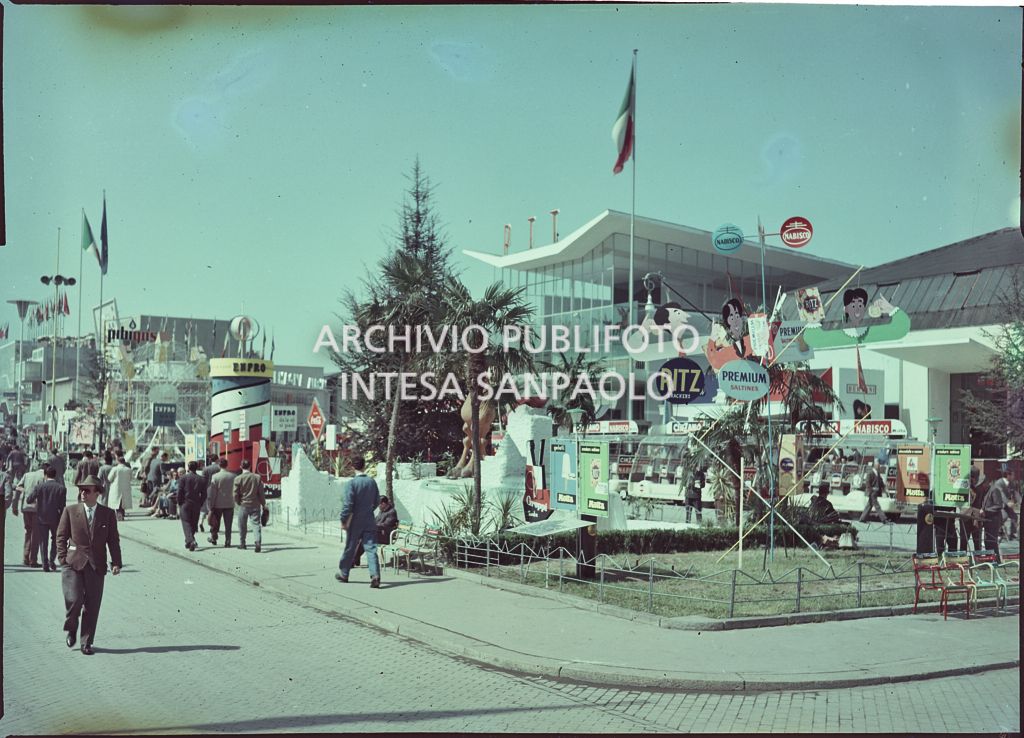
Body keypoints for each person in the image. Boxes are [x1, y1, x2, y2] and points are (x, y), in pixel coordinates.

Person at [56, 474, 122, 655]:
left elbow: (113, 540)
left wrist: (116, 562)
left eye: (87, 490)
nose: (82, 493)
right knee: (74, 599)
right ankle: (71, 628)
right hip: (73, 564)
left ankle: (86, 642)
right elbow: (61, 536)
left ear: (97, 493)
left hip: (96, 565)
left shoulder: (107, 514)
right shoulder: (70, 511)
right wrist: (62, 558)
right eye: (81, 490)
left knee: (92, 606)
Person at [336, 456, 381, 588]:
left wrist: (344, 519)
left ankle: (344, 574)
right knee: (371, 548)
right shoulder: (372, 482)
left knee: (350, 547)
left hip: (355, 521)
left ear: (352, 467)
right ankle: (375, 575)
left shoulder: (352, 483)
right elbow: (377, 501)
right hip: (369, 519)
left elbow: (348, 505)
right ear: (364, 466)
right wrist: (369, 510)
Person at [28, 465, 67, 572]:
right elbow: (62, 506)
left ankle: (45, 563)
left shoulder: (39, 487)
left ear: (45, 475)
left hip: (41, 517)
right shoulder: (61, 488)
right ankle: (51, 560)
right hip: (56, 518)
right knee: (55, 540)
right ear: (55, 475)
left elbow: (29, 499)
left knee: (43, 541)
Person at [12, 464, 45, 567]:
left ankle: (25, 557)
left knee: (28, 532)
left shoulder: (27, 475)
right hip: (37, 509)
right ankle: (33, 560)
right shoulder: (44, 477)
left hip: (26, 508)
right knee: (35, 535)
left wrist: (15, 506)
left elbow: (18, 488)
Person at [353, 495, 399, 567]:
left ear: (383, 503)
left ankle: (353, 560)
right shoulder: (382, 511)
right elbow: (375, 521)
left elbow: (385, 525)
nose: (378, 506)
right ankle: (356, 558)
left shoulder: (392, 512)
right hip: (378, 533)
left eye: (379, 504)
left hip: (386, 536)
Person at [232, 459, 266, 553]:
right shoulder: (257, 477)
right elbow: (261, 493)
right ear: (250, 466)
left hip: (243, 505)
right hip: (255, 504)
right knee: (256, 524)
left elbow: (235, 494)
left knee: (242, 525)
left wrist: (238, 502)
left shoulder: (238, 479)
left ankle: (242, 543)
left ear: (241, 467)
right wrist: (263, 504)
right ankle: (258, 541)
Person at [176, 461, 208, 552]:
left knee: (186, 522)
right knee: (193, 523)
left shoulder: (183, 478)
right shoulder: (201, 479)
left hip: (185, 503)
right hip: (196, 503)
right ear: (196, 468)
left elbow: (179, 492)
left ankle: (191, 540)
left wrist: (179, 502)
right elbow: (204, 494)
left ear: (188, 468)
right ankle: (189, 541)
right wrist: (200, 503)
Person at [982, 468, 1015, 557]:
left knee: (992, 541)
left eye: (983, 484)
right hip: (988, 520)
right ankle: (990, 558)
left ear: (987, 482)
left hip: (994, 520)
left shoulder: (994, 490)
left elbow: (998, 505)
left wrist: (985, 511)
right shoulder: (986, 491)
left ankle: (995, 559)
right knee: (987, 541)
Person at [206, 457, 236, 547]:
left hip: (217, 504)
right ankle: (228, 541)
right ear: (227, 465)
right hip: (229, 503)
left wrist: (211, 505)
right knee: (228, 524)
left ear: (219, 465)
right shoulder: (233, 476)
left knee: (215, 523)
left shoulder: (215, 477)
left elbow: (213, 492)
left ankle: (214, 538)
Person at [859, 459, 888, 525]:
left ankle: (862, 519)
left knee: (869, 505)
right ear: (875, 466)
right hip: (872, 492)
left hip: (876, 492)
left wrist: (884, 488)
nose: (879, 467)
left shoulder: (877, 473)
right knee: (877, 506)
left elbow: (880, 482)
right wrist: (871, 491)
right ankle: (884, 519)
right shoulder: (870, 473)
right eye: (878, 465)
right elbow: (867, 483)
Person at [106, 455, 133, 521]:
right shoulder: (128, 469)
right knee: (123, 502)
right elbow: (131, 478)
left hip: (116, 487)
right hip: (125, 488)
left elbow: (109, 478)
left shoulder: (115, 469)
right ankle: (122, 514)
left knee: (117, 502)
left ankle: (119, 515)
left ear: (118, 461)